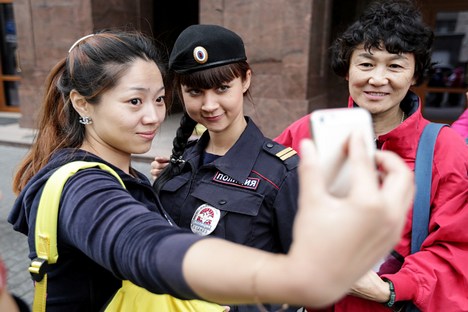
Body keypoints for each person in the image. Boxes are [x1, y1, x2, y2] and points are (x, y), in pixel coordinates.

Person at [8, 29, 415, 312]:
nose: (152, 117)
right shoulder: (83, 185)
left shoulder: (138, 174)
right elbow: (142, 245)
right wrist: (293, 277)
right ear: (82, 105)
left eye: (157, 100)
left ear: (245, 81)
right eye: (134, 102)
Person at [275, 1, 468, 311]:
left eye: (395, 65)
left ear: (415, 75)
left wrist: (388, 288)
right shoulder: (308, 132)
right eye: (366, 64)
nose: (378, 79)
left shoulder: (445, 149)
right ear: (347, 68)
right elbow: (259, 190)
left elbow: (456, 247)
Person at [151, 24, 299, 312]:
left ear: (245, 80)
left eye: (222, 88)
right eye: (194, 91)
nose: (209, 105)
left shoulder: (283, 173)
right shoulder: (182, 161)